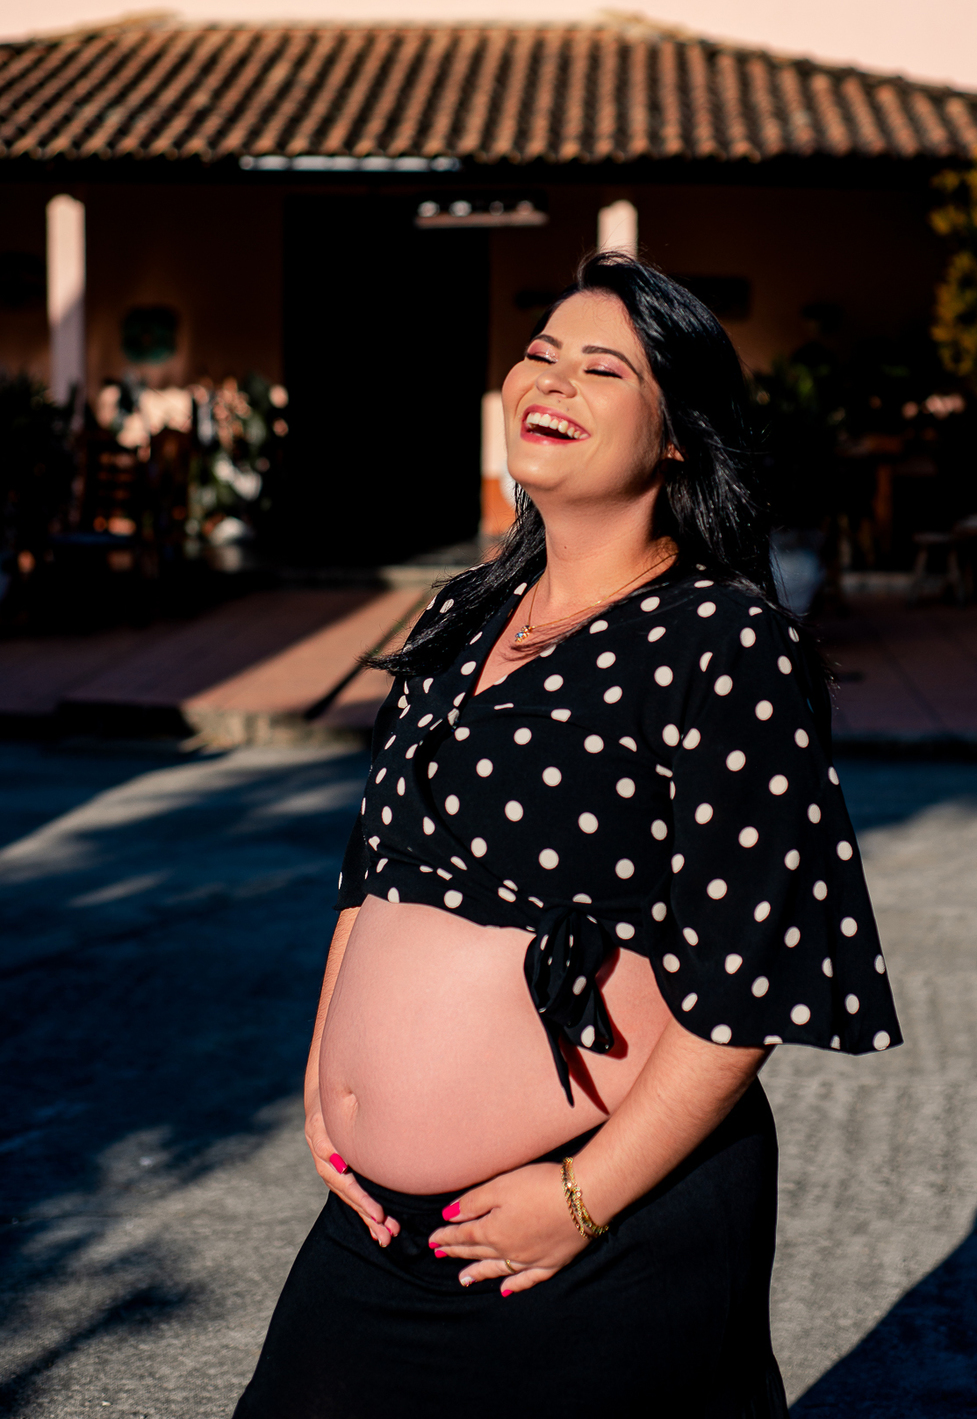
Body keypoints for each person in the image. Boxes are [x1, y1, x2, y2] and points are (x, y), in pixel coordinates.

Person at [233, 252, 900, 1419]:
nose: (553, 379)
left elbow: (749, 982)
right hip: (384, 1223)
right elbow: (376, 869)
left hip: (601, 1231)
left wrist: (584, 1198)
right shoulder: (463, 613)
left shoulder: (724, 643)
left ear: (680, 437)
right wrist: (325, 1083)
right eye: (541, 352)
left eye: (604, 368)